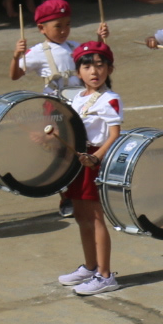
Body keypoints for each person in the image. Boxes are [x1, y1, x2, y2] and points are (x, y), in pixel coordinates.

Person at [58, 42, 123, 295]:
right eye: (87, 66)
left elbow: (115, 135)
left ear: (110, 68)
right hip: (80, 160)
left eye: (100, 65)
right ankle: (90, 266)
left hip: (96, 161)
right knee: (81, 216)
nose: (94, 71)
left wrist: (96, 157)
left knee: (96, 218)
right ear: (77, 72)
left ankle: (105, 275)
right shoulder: (78, 97)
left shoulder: (110, 99)